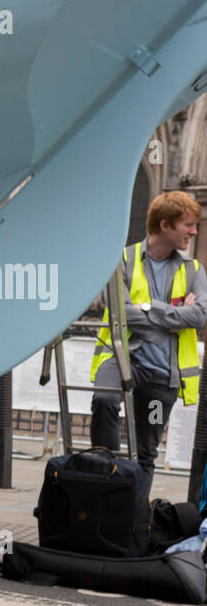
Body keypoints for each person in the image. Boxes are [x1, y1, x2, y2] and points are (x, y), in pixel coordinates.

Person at [90, 191, 207, 479]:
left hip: (161, 377)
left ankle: (135, 521)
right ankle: (105, 474)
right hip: (119, 359)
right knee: (104, 400)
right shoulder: (123, 260)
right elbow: (121, 312)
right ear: (165, 225)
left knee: (145, 451)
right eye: (188, 225)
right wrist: (174, 316)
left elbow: (200, 315)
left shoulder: (193, 270)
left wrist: (148, 307)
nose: (194, 232)